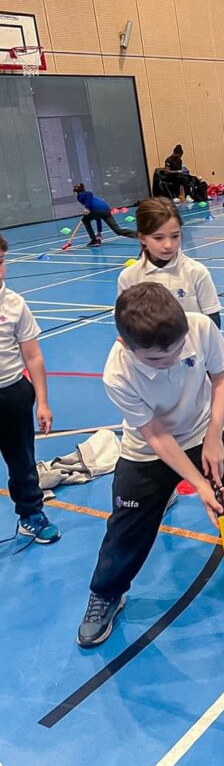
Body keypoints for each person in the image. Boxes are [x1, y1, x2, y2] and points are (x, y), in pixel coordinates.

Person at [77, 283, 224, 649]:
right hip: (148, 450)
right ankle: (106, 594)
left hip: (205, 430)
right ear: (125, 344)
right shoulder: (117, 374)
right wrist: (199, 484)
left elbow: (221, 377)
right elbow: (154, 434)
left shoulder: (198, 326)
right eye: (156, 359)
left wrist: (214, 436)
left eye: (177, 350)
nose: (170, 361)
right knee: (127, 529)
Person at [0, 234, 59, 545]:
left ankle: (31, 515)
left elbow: (33, 356)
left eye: (0, 262)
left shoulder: (14, 304)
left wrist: (43, 403)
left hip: (12, 395)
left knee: (22, 462)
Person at [118, 198, 222, 329]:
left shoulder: (196, 272)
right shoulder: (129, 277)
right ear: (142, 238)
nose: (168, 245)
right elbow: (126, 323)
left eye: (175, 236)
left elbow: (212, 320)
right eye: (158, 238)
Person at [73, 184, 138, 247]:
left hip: (97, 210)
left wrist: (87, 208)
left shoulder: (81, 195)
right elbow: (98, 218)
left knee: (85, 220)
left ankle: (94, 240)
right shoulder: (94, 199)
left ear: (75, 192)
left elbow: (88, 195)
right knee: (117, 230)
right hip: (106, 210)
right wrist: (99, 232)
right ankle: (139, 234)